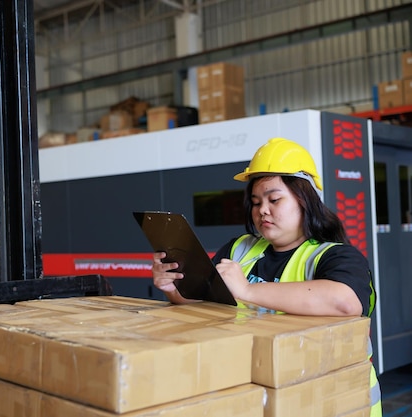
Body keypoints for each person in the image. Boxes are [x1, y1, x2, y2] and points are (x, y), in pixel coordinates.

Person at [152, 137, 381, 416]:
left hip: (330, 402)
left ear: (305, 201)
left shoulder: (337, 257)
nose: (263, 210)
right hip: (259, 394)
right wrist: (173, 288)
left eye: (274, 199)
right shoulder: (240, 249)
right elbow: (206, 301)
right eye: (256, 202)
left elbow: (345, 303)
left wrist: (247, 290)